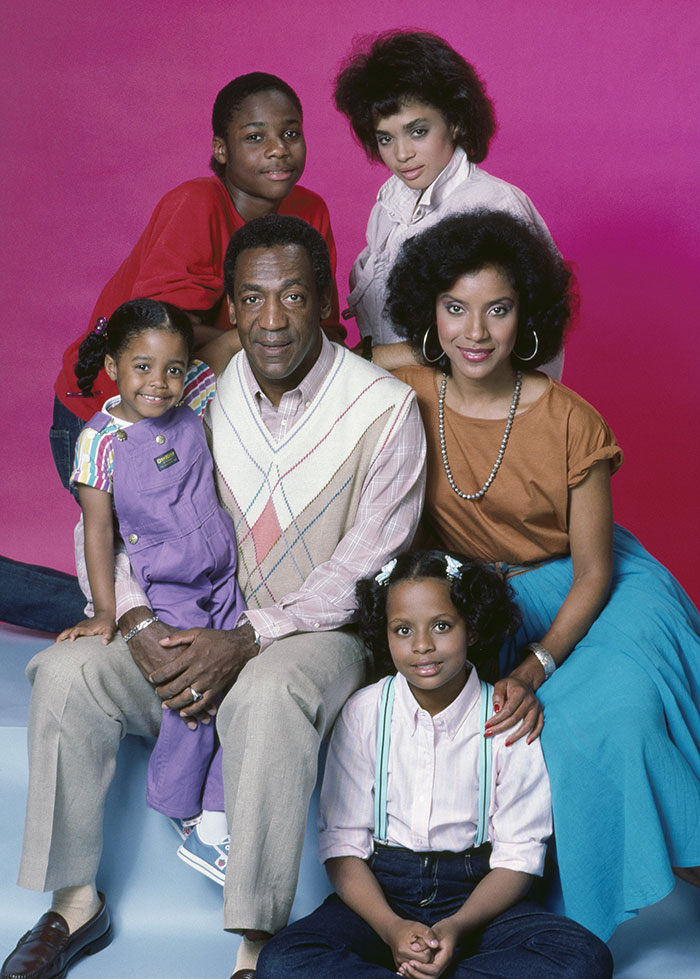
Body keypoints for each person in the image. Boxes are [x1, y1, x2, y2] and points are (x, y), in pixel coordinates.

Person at [2, 215, 426, 979]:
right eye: (252, 298)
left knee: (266, 692)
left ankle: (257, 942)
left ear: (325, 300)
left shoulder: (384, 408)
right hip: (191, 625)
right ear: (230, 306)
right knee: (66, 674)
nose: (272, 318)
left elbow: (367, 565)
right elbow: (114, 520)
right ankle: (74, 901)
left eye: (293, 294)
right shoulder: (197, 389)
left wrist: (249, 636)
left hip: (311, 640)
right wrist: (135, 617)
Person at [385, 209, 700, 940]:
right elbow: (307, 352)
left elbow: (594, 573)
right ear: (430, 311)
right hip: (493, 601)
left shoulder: (571, 420)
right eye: (455, 308)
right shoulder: (403, 389)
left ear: (526, 316)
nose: (475, 332)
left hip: (602, 595)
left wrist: (534, 666)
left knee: (622, 720)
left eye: (497, 310)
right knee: (541, 741)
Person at [0, 71, 345, 637]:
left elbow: (321, 330)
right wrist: (246, 340)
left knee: (191, 567)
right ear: (220, 149)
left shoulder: (310, 211)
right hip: (111, 413)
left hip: (191, 413)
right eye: (255, 137)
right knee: (140, 583)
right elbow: (159, 337)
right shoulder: (196, 204)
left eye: (291, 133)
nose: (278, 149)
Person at [257, 550, 612, 978]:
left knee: (583, 958)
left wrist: (456, 928)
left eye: (441, 626)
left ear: (472, 627)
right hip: (383, 896)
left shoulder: (506, 718)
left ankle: (432, 966)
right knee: (282, 960)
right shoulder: (365, 713)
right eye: (403, 630)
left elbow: (519, 857)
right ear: (385, 633)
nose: (422, 645)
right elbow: (343, 847)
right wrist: (391, 929)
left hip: (478, 897)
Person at [57, 298, 245, 879]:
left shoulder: (193, 397)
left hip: (223, 573)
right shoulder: (101, 441)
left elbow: (235, 340)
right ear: (113, 366)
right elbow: (98, 531)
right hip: (170, 588)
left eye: (173, 368)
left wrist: (193, 331)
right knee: (195, 696)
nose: (158, 383)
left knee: (242, 683)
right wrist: (106, 610)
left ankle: (217, 812)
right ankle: (182, 808)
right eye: (142, 367)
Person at [333, 29, 561, 380]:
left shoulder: (493, 205)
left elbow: (510, 340)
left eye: (418, 131)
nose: (402, 154)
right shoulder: (387, 208)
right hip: (392, 399)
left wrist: (368, 359)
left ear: (454, 121)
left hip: (473, 405)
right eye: (386, 138)